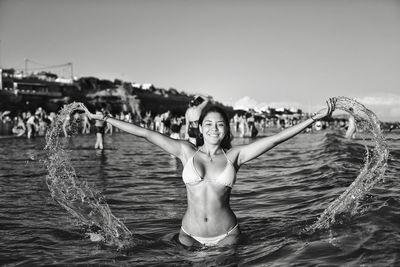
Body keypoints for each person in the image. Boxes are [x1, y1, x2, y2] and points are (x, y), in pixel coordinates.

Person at [83, 98, 336, 247]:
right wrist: (106, 119)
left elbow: (276, 140)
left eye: (220, 124)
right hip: (188, 237)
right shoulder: (185, 151)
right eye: (208, 124)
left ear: (226, 129)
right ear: (200, 129)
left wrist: (312, 119)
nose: (214, 129)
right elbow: (146, 133)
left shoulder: (235, 156)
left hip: (227, 236)